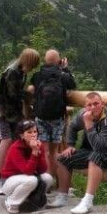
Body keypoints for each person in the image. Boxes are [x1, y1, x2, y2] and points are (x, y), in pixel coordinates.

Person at [47, 92, 107, 214]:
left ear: (102, 104)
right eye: (89, 105)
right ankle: (62, 196)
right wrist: (70, 145)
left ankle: (87, 201)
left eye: (96, 103)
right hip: (92, 151)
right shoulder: (83, 115)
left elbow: (100, 146)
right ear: (85, 107)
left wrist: (89, 124)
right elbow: (72, 127)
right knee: (63, 158)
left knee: (95, 157)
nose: (93, 107)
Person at [0, 48, 40, 194]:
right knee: (6, 141)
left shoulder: (20, 69)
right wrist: (28, 93)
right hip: (3, 111)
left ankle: (10, 174)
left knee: (16, 140)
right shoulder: (14, 72)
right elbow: (12, 94)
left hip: (11, 111)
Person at [27, 49, 76, 179]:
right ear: (58, 61)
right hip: (57, 118)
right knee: (54, 152)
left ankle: (45, 180)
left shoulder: (37, 75)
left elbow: (31, 89)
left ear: (45, 60)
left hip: (41, 116)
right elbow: (73, 85)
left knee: (44, 150)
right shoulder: (62, 75)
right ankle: (53, 179)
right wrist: (65, 69)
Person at [0, 120, 53, 214]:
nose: (33, 135)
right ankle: (11, 202)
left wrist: (38, 152)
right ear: (22, 135)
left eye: (35, 131)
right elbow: (27, 171)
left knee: (48, 178)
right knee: (32, 180)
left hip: (27, 178)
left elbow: (42, 170)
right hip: (9, 181)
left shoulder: (38, 146)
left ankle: (31, 199)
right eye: (29, 132)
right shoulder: (15, 148)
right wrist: (34, 152)